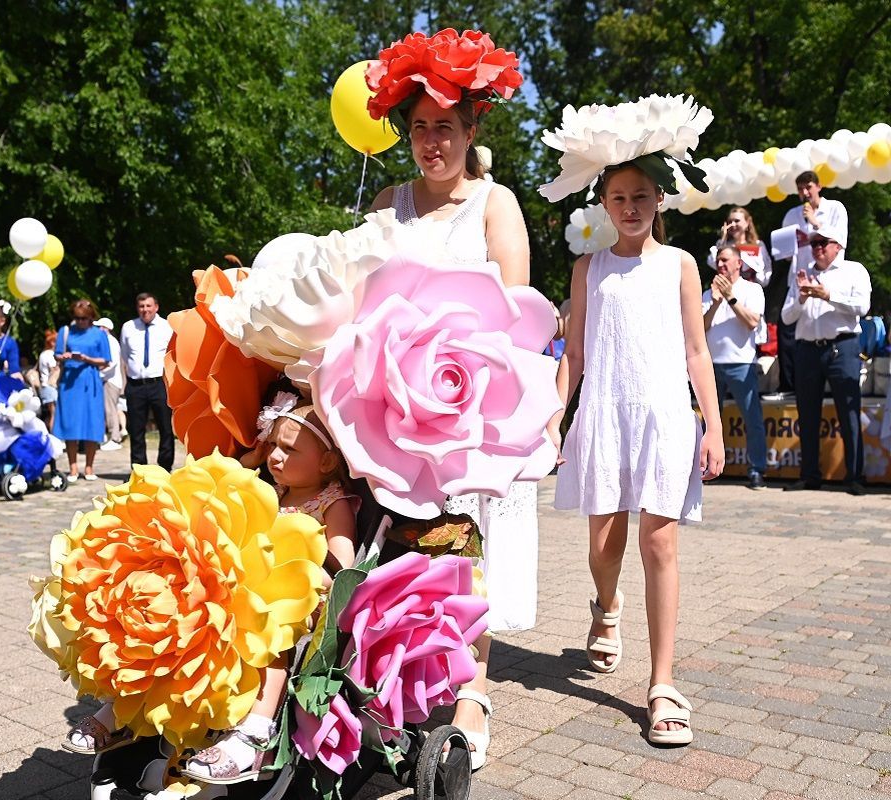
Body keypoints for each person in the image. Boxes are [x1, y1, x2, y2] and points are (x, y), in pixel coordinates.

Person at [365, 30, 527, 769]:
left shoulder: (495, 204)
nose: (432, 142)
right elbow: (360, 295)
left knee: (467, 544)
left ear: (470, 131)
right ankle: (396, 677)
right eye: (421, 128)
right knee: (397, 545)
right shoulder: (388, 203)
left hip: (468, 403)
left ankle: (473, 691)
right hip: (393, 405)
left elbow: (517, 311)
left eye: (446, 128)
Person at [542, 95, 724, 747]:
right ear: (603, 203)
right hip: (603, 414)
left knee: (660, 543)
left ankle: (662, 683)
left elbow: (697, 350)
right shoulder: (588, 268)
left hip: (666, 417)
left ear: (659, 200)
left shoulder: (680, 266)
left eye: (641, 195)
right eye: (618, 196)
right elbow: (574, 353)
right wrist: (554, 421)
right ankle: (607, 603)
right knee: (604, 545)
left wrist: (714, 425)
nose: (630, 206)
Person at [65, 401, 358, 784]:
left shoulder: (332, 503)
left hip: (292, 600)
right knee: (166, 631)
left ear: (327, 461)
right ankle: (124, 710)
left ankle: (255, 730)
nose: (276, 456)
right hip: (239, 589)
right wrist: (252, 457)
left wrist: (302, 570)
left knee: (271, 648)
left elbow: (340, 566)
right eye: (273, 445)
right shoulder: (273, 489)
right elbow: (229, 480)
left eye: (290, 449)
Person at [780, 223, 870, 495]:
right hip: (808, 349)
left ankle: (854, 476)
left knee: (848, 413)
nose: (817, 248)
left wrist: (828, 295)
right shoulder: (803, 274)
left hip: (842, 347)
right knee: (807, 414)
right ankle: (809, 475)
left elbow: (862, 306)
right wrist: (802, 298)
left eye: (823, 243)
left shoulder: (854, 270)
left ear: (838, 245)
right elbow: (786, 317)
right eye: (814, 244)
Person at [773, 171, 849, 393]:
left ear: (819, 186)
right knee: (788, 331)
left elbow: (840, 241)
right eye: (800, 189)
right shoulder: (791, 215)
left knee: (823, 326)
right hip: (799, 278)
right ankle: (789, 384)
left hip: (827, 277)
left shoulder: (835, 208)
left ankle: (829, 381)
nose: (805, 193)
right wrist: (789, 246)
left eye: (808, 187)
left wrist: (815, 223)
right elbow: (785, 254)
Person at [703, 246, 768, 489]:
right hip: (711, 364)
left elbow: (752, 322)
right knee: (710, 421)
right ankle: (708, 468)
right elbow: (700, 328)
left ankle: (756, 470)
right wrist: (714, 303)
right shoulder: (707, 293)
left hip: (741, 362)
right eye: (718, 261)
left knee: (752, 419)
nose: (720, 265)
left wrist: (730, 297)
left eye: (725, 260)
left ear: (739, 263)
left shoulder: (752, 289)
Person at [53, 299, 111, 481]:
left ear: (91, 317)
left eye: (84, 318)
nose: (80, 322)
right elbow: (56, 354)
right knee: (71, 423)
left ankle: (89, 467)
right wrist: (64, 356)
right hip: (70, 382)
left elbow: (106, 360)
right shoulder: (66, 331)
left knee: (91, 422)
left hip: (90, 380)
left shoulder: (99, 334)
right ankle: (72, 468)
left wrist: (87, 359)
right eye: (77, 318)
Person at [119, 293, 175, 471]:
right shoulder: (128, 327)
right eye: (141, 306)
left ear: (156, 307)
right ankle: (139, 469)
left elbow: (173, 355)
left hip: (160, 384)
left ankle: (165, 467)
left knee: (165, 428)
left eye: (148, 306)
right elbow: (125, 356)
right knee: (136, 430)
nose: (145, 310)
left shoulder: (167, 326)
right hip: (136, 385)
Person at [706, 207, 772, 286]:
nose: (733, 224)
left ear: (747, 222)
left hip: (751, 289)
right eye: (730, 222)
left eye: (737, 221)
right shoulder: (724, 245)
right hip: (728, 288)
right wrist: (723, 238)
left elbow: (765, 272)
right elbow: (712, 262)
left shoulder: (758, 245)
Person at [95, 317, 125, 451]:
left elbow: (111, 363)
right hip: (107, 380)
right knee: (107, 409)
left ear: (106, 328)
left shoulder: (111, 342)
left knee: (110, 410)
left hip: (110, 381)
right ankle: (109, 436)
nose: (98, 330)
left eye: (99, 327)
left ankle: (115, 438)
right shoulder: (107, 341)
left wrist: (98, 373)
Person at [37, 330, 59, 432]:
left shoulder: (42, 354)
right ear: (52, 342)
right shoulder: (50, 354)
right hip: (51, 387)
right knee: (54, 414)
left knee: (49, 414)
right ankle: (54, 435)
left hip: (44, 387)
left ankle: (49, 434)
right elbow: (54, 369)